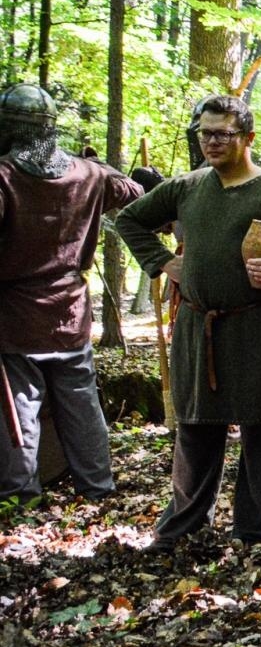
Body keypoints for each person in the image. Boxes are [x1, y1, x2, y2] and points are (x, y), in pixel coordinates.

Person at [117, 95, 261, 552]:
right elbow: (130, 219)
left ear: (248, 138)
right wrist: (163, 262)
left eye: (223, 133)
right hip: (200, 329)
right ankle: (184, 524)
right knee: (196, 429)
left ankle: (257, 529)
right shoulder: (187, 187)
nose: (212, 142)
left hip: (259, 329)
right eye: (205, 132)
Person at [0, 83, 147, 509]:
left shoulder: (6, 176)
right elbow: (137, 196)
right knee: (80, 404)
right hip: (70, 312)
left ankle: (20, 497)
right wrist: (107, 171)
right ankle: (97, 488)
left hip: (17, 316)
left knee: (20, 410)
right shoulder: (89, 174)